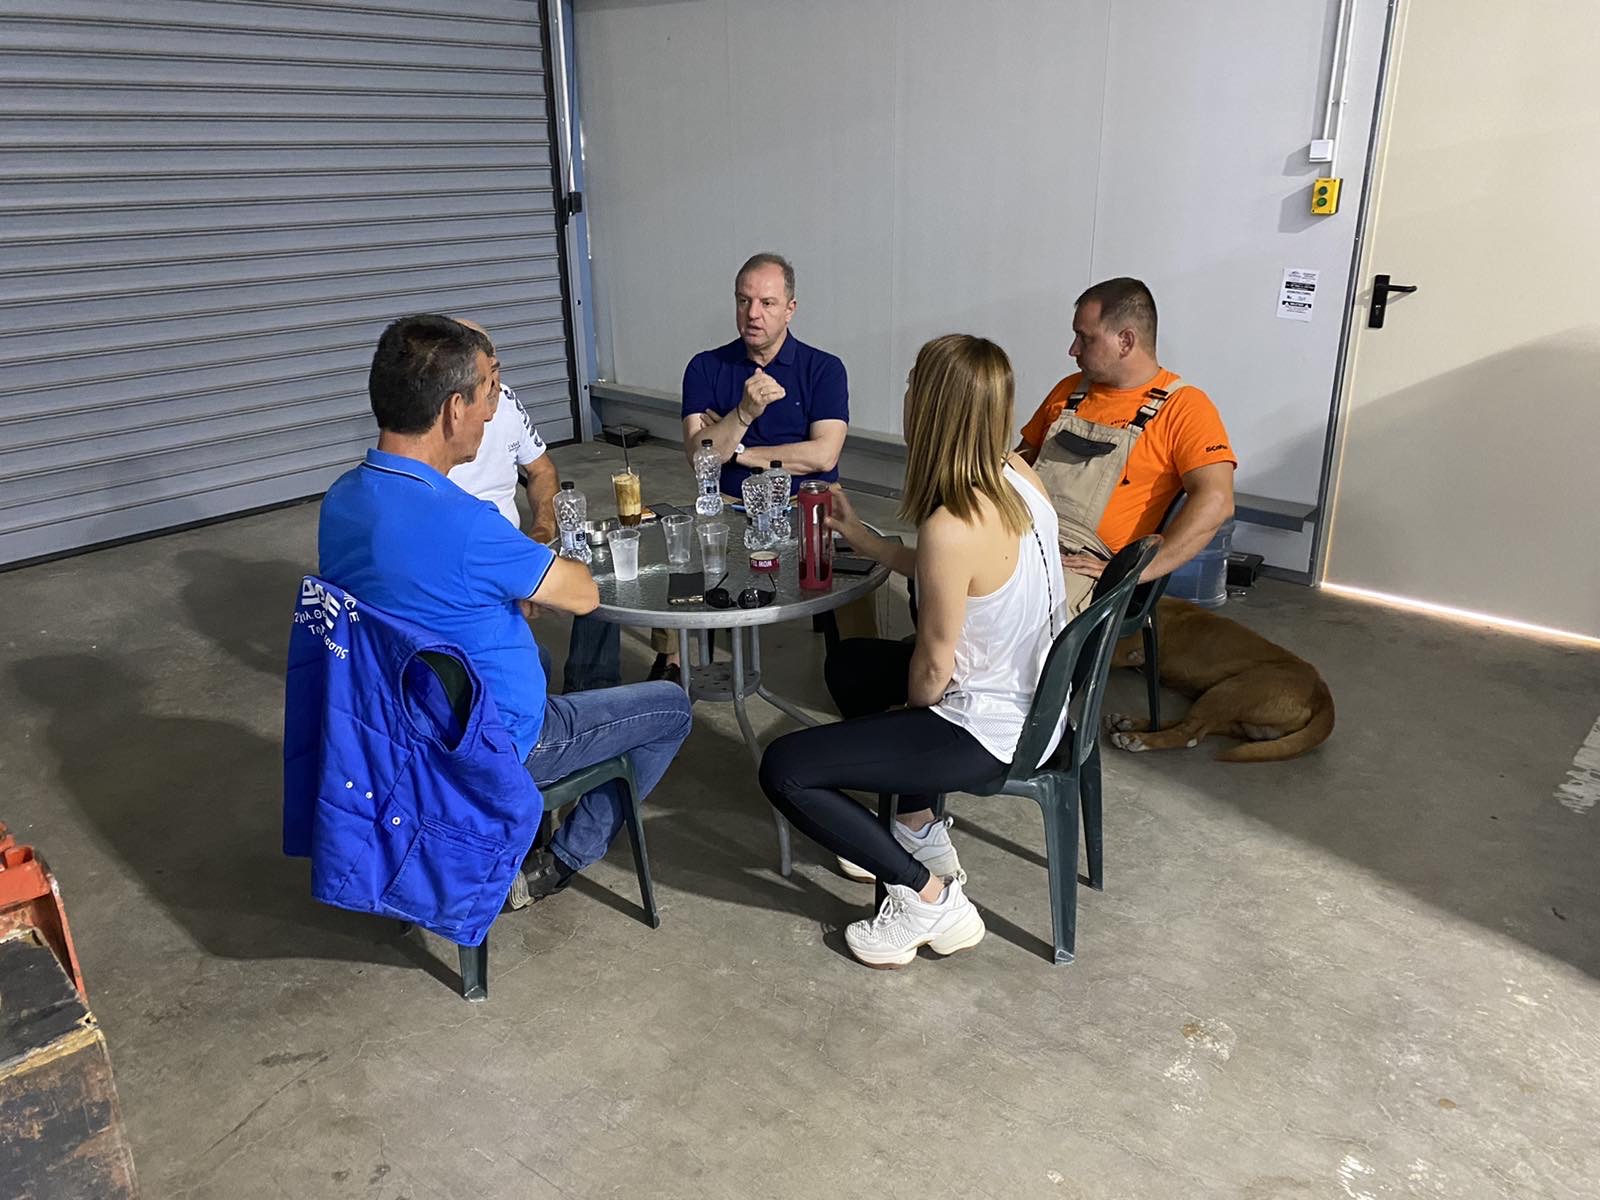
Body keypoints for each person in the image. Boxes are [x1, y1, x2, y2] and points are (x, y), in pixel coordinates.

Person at [318, 314, 692, 907]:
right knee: (671, 707)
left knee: (538, 656)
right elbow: (583, 594)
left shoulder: (341, 501)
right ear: (453, 410)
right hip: (493, 743)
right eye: (486, 394)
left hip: (396, 733)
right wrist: (532, 559)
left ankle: (519, 834)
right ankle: (560, 861)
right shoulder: (468, 525)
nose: (491, 413)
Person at [758, 334, 1068, 969]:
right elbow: (961, 577)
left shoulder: (953, 522)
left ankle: (929, 899)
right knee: (849, 665)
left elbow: (932, 666)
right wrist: (868, 542)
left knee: (784, 768)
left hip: (987, 728)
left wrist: (908, 711)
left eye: (910, 386)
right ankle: (917, 827)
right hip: (1037, 702)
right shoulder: (1017, 475)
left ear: (929, 409)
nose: (903, 396)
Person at [565, 252, 851, 687]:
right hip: (729, 501)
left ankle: (856, 662)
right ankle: (675, 656)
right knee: (678, 547)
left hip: (805, 499)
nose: (753, 314)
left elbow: (823, 456)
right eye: (743, 300)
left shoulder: (823, 368)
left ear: (790, 308)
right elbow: (699, 455)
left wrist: (739, 449)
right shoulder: (707, 366)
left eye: (767, 303)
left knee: (852, 563)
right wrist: (744, 412)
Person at [1015, 277, 1235, 615]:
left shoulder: (1185, 408)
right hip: (1022, 537)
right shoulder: (1069, 390)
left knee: (1020, 616)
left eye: (1085, 338)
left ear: (1126, 341)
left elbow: (1216, 501)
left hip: (1083, 567)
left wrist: (1134, 572)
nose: (1073, 350)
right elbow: (1020, 464)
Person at [446, 318, 559, 542]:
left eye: (495, 368)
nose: (494, 383)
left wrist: (543, 531)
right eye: (484, 373)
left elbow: (542, 470)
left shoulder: (506, 399)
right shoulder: (433, 420)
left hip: (510, 544)